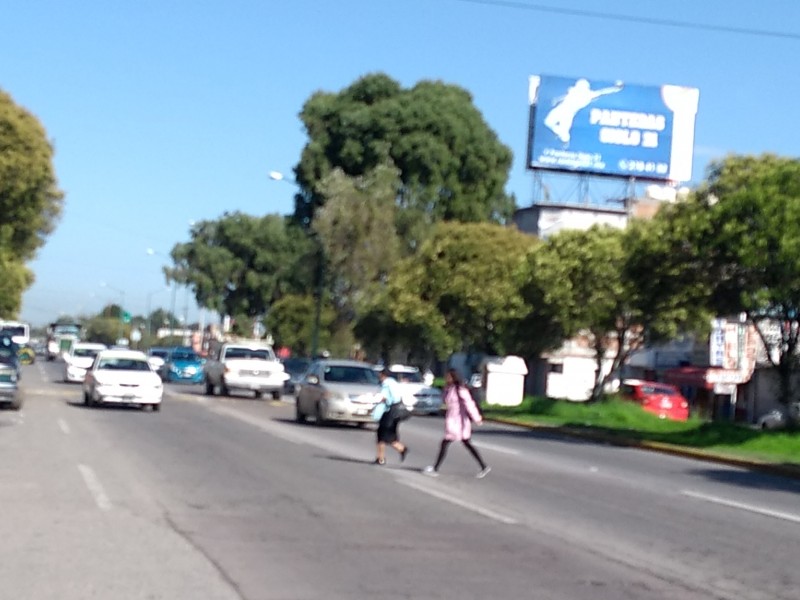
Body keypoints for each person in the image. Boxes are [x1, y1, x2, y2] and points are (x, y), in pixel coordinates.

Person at [423, 369, 490, 478]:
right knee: (465, 443)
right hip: (452, 420)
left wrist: (477, 418)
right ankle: (483, 466)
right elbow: (445, 401)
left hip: (459, 421)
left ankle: (435, 468)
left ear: (453, 377)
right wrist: (445, 390)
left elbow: (470, 404)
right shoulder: (450, 389)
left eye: (448, 377)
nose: (446, 379)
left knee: (447, 443)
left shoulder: (461, 390)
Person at [373, 367, 409, 465]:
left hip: (389, 413)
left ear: (382, 375)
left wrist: (379, 400)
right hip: (395, 414)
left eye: (379, 375)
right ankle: (400, 449)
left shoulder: (386, 384)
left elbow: (387, 398)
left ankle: (381, 458)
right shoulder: (394, 383)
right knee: (388, 435)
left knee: (382, 435)